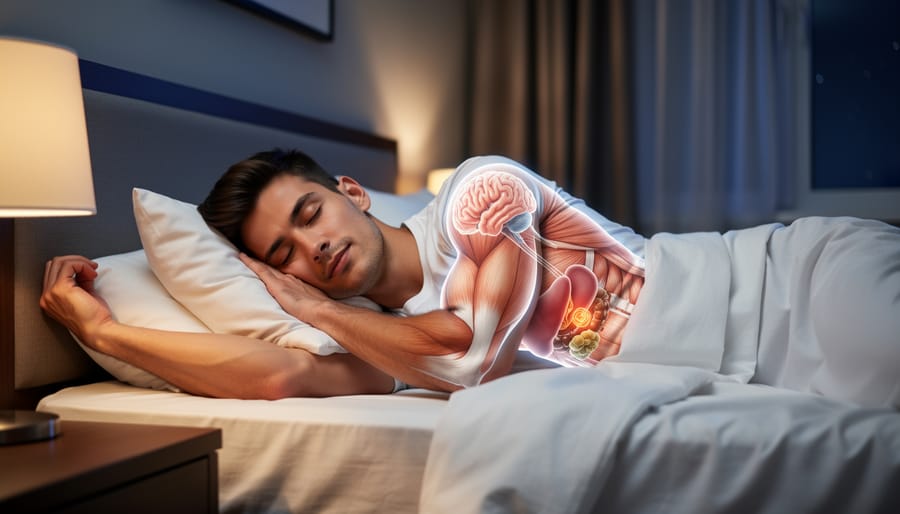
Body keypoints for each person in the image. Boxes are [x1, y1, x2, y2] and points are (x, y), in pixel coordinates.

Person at [41, 149, 900, 407]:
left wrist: (314, 309)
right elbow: (283, 377)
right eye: (282, 256)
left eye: (308, 214)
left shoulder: (480, 194)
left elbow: (471, 357)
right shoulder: (391, 339)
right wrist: (103, 330)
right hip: (757, 375)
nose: (311, 251)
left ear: (350, 192)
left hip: (794, 282)